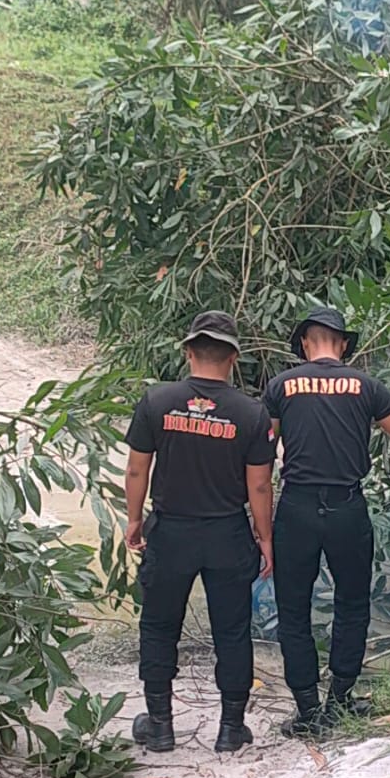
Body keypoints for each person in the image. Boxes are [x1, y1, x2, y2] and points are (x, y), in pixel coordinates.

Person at [264, 307, 390, 738]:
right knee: (352, 603)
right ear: (343, 344)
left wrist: (255, 518)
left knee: (293, 608)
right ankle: (340, 699)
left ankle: (307, 709)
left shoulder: (281, 386)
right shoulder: (367, 387)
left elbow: (261, 452)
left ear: (305, 343)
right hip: (347, 508)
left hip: (296, 508)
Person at [123, 311, 276, 754]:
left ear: (189, 351)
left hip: (171, 531)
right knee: (232, 630)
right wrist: (265, 538)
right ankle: (230, 728)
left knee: (158, 626)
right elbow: (260, 485)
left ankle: (160, 725)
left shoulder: (156, 401)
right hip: (227, 534)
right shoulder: (251, 413)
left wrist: (134, 519)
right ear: (234, 358)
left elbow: (136, 469)